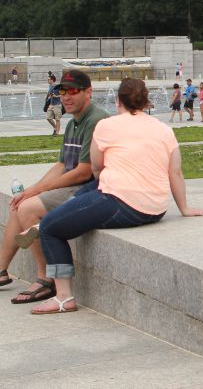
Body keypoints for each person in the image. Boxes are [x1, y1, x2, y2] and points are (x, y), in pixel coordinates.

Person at [25, 78, 203, 314]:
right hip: (156, 208)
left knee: (51, 228)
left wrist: (109, 179)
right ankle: (61, 214)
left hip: (121, 204)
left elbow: (97, 168)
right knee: (91, 189)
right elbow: (175, 172)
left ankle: (63, 297)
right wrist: (184, 208)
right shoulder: (164, 129)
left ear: (117, 100)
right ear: (145, 101)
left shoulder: (106, 126)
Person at [0, 69, 109, 306]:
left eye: (73, 91)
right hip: (74, 185)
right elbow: (62, 164)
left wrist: (36, 191)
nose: (66, 96)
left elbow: (83, 171)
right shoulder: (73, 123)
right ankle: (1, 270)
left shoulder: (96, 120)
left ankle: (46, 278)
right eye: (62, 92)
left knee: (28, 208)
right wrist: (34, 188)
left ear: (88, 92)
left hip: (90, 189)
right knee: (21, 202)